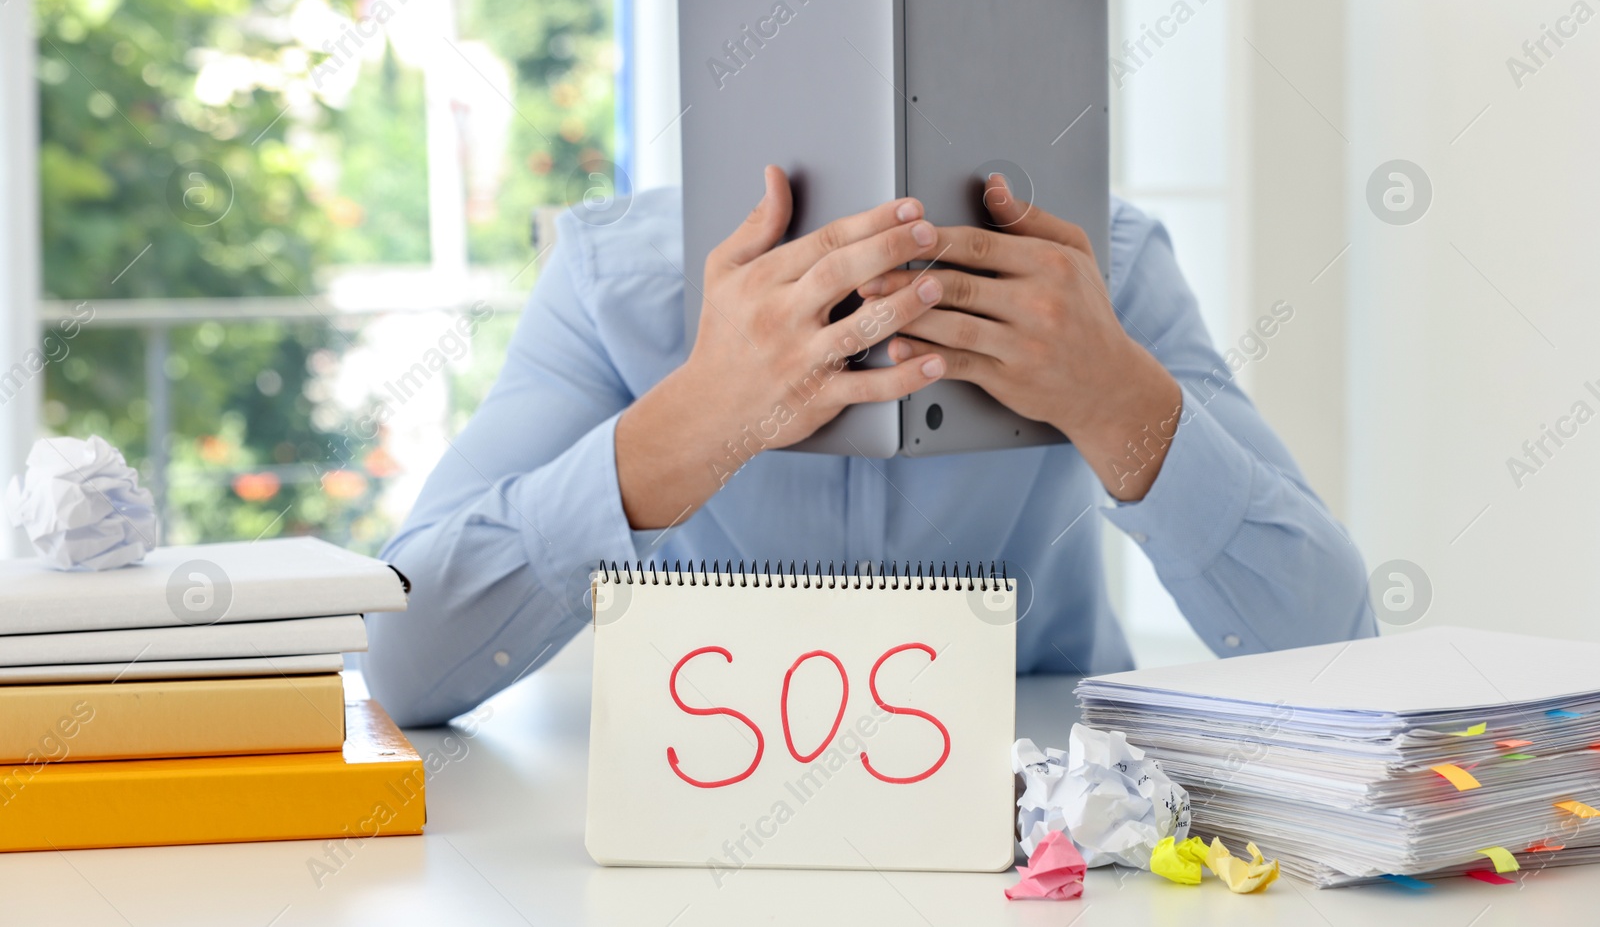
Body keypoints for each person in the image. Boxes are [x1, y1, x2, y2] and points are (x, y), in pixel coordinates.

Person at [364, 169, 1374, 726]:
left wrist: (1114, 398)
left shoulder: (1095, 266)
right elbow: (403, 662)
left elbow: (1336, 654)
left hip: (1043, 844)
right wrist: (699, 417)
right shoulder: (613, 276)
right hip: (691, 812)